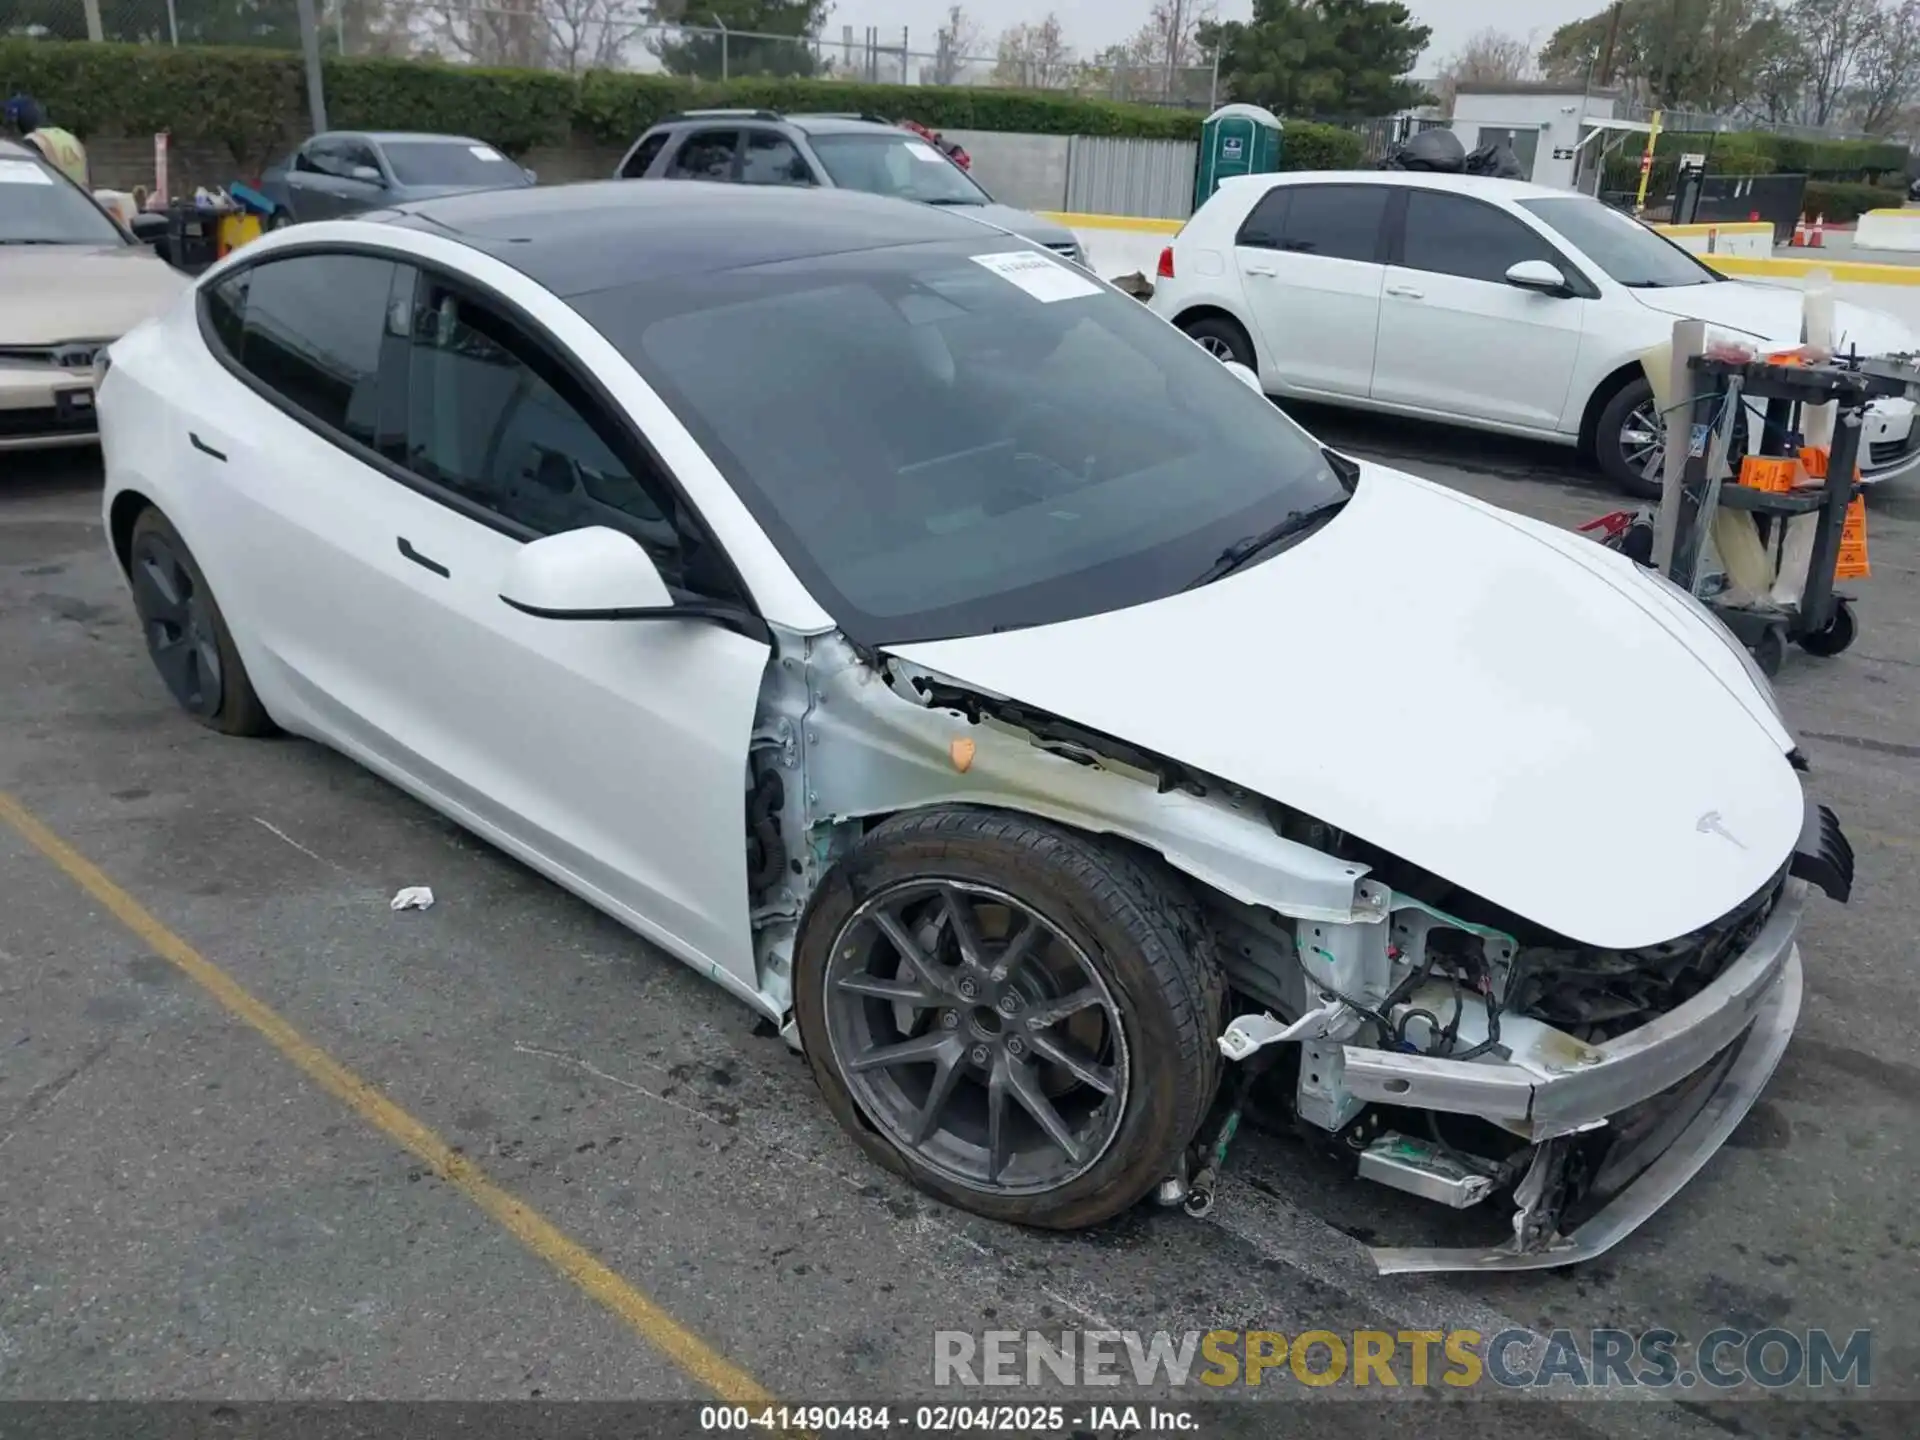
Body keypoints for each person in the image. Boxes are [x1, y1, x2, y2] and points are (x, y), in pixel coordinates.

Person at [3, 94, 89, 189]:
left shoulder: (33, 142)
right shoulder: (71, 139)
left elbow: (27, 186)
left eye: (11, 125)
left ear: (19, 121)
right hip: (79, 201)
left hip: (51, 200)